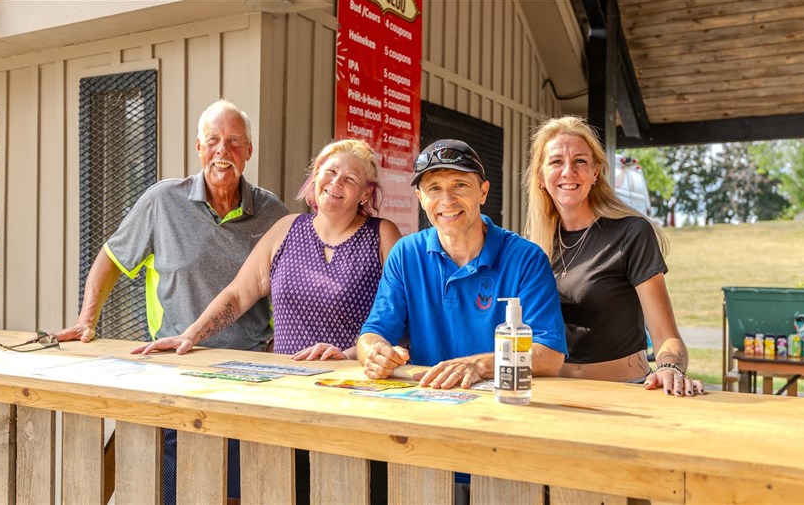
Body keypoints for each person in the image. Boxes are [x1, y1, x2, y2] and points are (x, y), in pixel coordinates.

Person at [133, 138, 401, 505]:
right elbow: (238, 294)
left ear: (366, 193)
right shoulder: (286, 229)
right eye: (329, 172)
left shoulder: (382, 235)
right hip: (284, 397)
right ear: (315, 176)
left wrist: (350, 354)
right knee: (279, 489)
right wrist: (190, 335)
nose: (336, 183)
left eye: (350, 179)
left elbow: (400, 319)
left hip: (351, 399)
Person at [55, 98, 289, 504]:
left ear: (249, 151)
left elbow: (290, 285)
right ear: (199, 147)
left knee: (237, 493)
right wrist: (86, 320)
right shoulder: (162, 201)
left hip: (246, 379)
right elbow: (111, 258)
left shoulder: (273, 213)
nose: (223, 150)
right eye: (213, 140)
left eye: (234, 141)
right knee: (173, 492)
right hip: (175, 371)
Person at [356, 139, 567, 389]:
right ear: (420, 198)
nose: (447, 200)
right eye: (434, 188)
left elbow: (550, 354)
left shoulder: (526, 258)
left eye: (460, 185)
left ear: (483, 192)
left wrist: (479, 365)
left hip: (503, 399)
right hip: (426, 397)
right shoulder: (405, 254)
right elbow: (374, 332)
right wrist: (374, 353)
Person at [523, 115, 705, 397]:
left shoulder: (631, 233)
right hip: (555, 395)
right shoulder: (534, 248)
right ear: (540, 177)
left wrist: (670, 368)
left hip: (625, 392)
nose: (568, 171)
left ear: (595, 173)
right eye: (556, 161)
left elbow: (666, 337)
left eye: (580, 161)